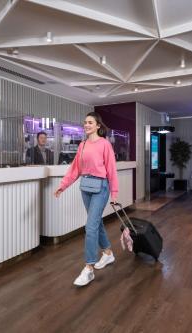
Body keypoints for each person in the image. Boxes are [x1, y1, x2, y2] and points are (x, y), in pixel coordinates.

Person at [54, 112, 118, 287]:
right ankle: (108, 253)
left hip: (101, 188)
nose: (86, 125)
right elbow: (75, 169)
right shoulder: (82, 145)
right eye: (85, 122)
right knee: (96, 223)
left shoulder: (105, 144)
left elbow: (111, 169)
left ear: (98, 125)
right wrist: (63, 185)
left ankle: (88, 268)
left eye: (90, 122)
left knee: (90, 226)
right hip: (86, 187)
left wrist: (114, 193)